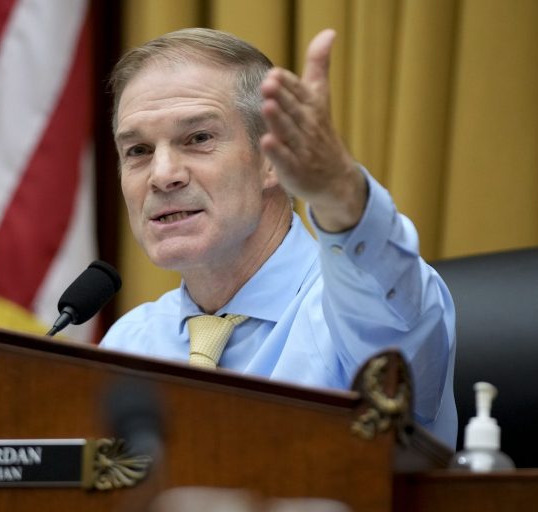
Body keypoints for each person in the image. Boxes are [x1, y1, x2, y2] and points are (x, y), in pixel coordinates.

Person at [100, 27, 456, 448]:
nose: (162, 175)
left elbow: (387, 314)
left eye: (198, 139)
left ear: (272, 158)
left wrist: (339, 191)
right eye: (138, 151)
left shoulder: (359, 307)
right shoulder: (129, 343)